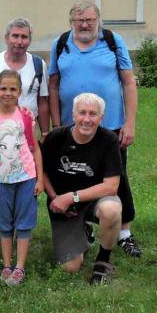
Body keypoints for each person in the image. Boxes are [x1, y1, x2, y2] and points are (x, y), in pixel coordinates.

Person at [48, 1, 141, 258]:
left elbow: (128, 82)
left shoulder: (112, 41)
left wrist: (130, 122)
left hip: (110, 126)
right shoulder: (61, 44)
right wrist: (56, 125)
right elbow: (53, 85)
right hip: (72, 127)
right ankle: (84, 224)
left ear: (98, 20)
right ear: (71, 23)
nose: (85, 25)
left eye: (90, 20)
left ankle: (124, 232)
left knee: (117, 178)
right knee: (75, 175)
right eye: (79, 21)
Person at [41, 93, 123, 284]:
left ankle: (103, 260)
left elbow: (111, 186)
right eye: (82, 113)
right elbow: (41, 172)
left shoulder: (109, 139)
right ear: (73, 115)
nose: (87, 119)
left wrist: (71, 197)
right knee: (70, 267)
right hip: (62, 205)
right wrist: (55, 198)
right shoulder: (56, 138)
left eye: (93, 114)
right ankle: (84, 231)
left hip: (94, 201)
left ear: (101, 117)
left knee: (111, 210)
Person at [0, 70, 44, 287]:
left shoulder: (26, 117)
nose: (8, 93)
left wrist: (40, 179)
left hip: (26, 178)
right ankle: (7, 265)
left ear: (20, 91)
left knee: (24, 223)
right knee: (3, 224)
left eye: (13, 89)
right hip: (0, 180)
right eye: (3, 88)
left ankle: (20, 267)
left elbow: (35, 149)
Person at [0, 18, 50, 136]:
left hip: (29, 130)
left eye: (24, 37)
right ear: (6, 38)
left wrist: (45, 133)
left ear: (29, 41)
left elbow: (43, 102)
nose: (19, 41)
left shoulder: (38, 64)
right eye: (15, 36)